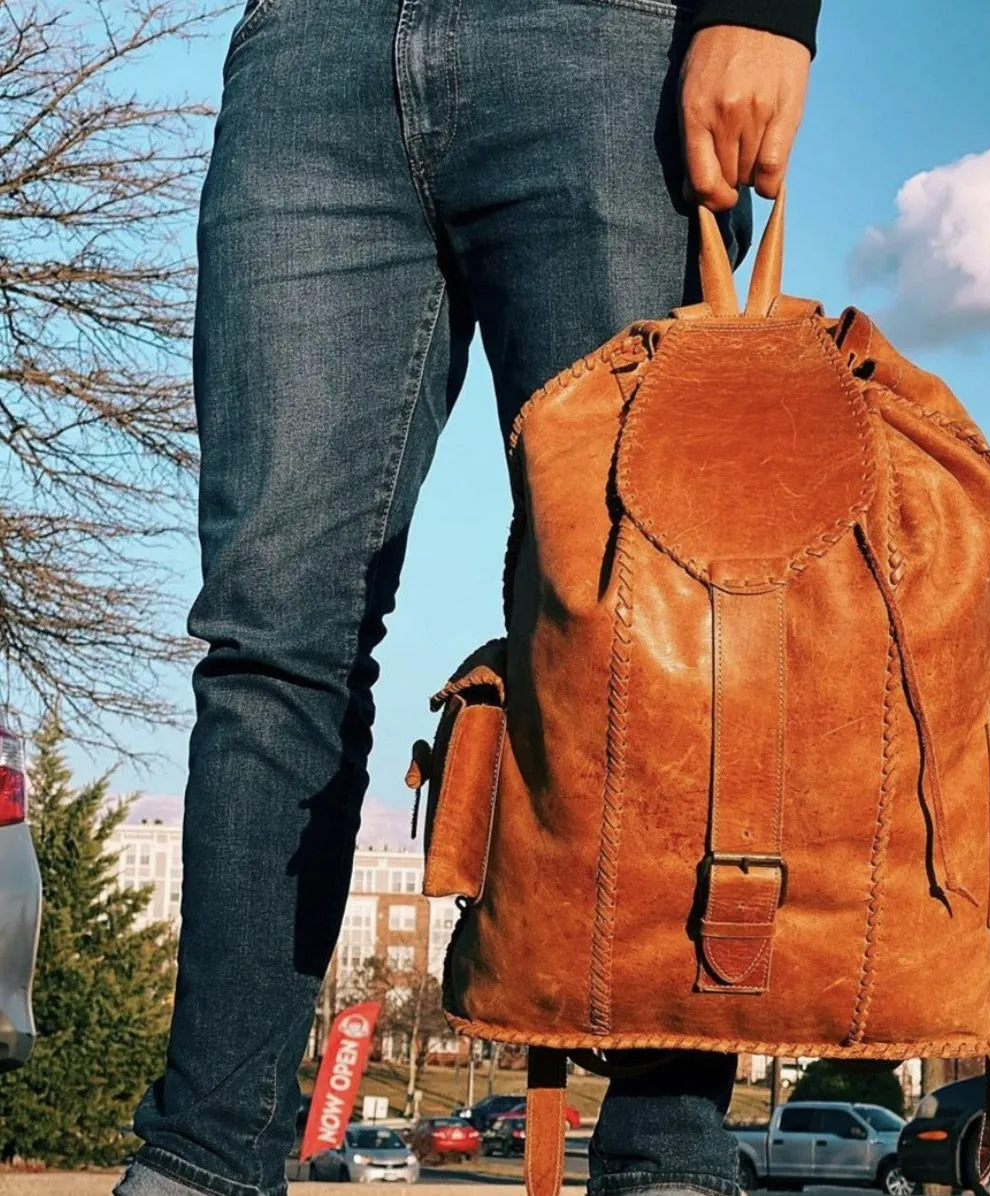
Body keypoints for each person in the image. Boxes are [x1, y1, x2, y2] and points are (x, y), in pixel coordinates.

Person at [114, 1, 819, 1193]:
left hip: (610, 46)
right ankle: (201, 1158)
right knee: (270, 638)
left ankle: (666, 1157)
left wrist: (763, 10)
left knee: (658, 617)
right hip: (307, 55)